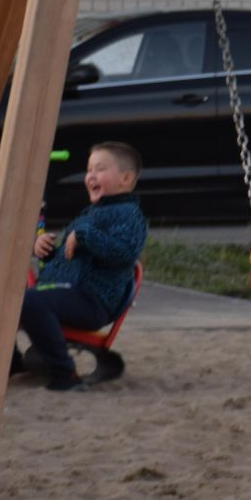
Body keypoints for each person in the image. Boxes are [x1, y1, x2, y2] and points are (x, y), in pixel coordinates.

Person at [16, 141, 147, 392]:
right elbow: (70, 260)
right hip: (68, 291)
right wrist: (46, 252)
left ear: (126, 178)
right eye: (89, 170)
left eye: (99, 169)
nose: (91, 176)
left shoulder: (130, 216)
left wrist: (84, 235)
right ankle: (12, 362)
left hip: (93, 300)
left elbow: (123, 253)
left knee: (31, 302)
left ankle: (66, 374)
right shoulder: (89, 214)